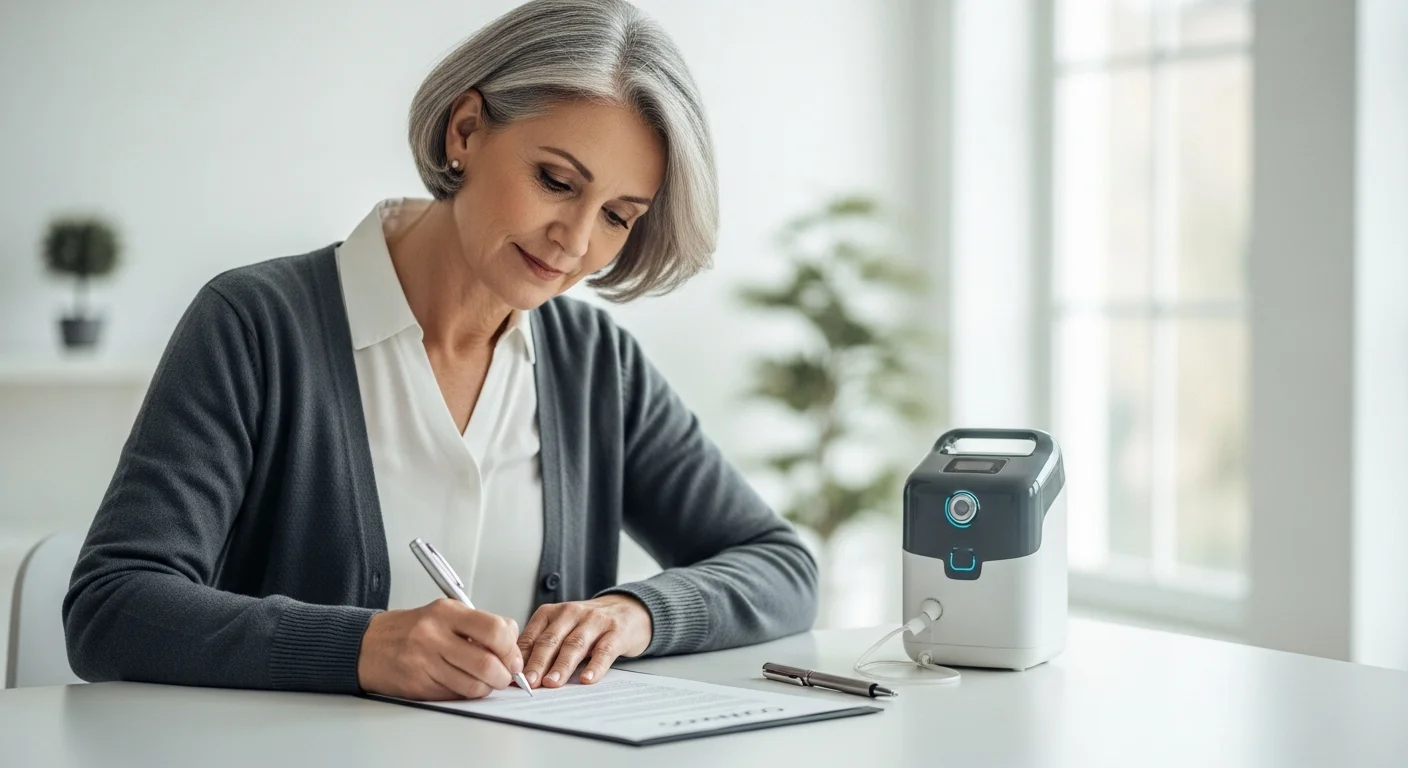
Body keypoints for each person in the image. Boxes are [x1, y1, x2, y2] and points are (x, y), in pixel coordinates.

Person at [63, 0, 818, 702]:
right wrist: (358, 645)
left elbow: (781, 566)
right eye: (556, 181)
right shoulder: (256, 325)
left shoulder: (595, 364)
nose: (577, 241)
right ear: (465, 131)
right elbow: (113, 606)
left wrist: (634, 613)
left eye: (619, 216)